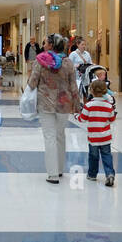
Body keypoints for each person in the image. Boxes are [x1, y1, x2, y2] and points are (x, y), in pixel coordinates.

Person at [27, 34, 80, 184]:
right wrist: (77, 104)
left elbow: (32, 83)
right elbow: (73, 86)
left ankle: (52, 174)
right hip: (64, 104)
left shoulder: (40, 61)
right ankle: (60, 169)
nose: (43, 45)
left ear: (51, 45)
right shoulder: (68, 62)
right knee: (60, 135)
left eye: (45, 43)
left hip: (46, 104)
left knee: (49, 137)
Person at [75, 78, 118, 186]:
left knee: (93, 156)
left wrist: (76, 116)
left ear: (91, 91)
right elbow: (112, 119)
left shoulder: (89, 105)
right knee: (107, 155)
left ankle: (92, 174)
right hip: (106, 137)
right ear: (105, 91)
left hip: (93, 137)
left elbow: (82, 118)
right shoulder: (109, 105)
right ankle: (109, 174)